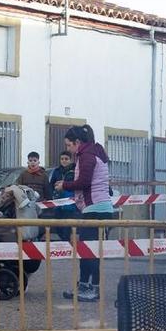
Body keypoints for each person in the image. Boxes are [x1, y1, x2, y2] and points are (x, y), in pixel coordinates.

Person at [59, 123, 115, 302]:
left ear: (77, 142)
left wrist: (64, 185)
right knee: (88, 250)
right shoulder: (93, 151)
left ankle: (94, 289)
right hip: (99, 207)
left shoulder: (87, 155)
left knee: (89, 251)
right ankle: (84, 285)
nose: (68, 149)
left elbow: (84, 181)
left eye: (69, 145)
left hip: (95, 208)